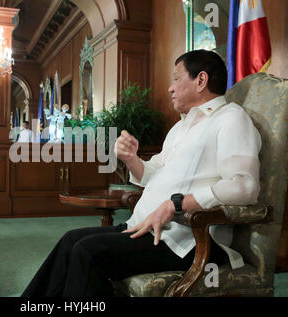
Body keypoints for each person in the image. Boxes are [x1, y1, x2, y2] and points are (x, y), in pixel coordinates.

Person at [22, 49, 261, 297]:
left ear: (201, 80)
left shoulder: (231, 119)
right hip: (146, 227)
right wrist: (131, 159)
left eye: (177, 78)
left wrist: (175, 204)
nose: (170, 87)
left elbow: (244, 186)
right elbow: (151, 173)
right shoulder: (181, 128)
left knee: (87, 252)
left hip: (189, 239)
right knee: (70, 240)